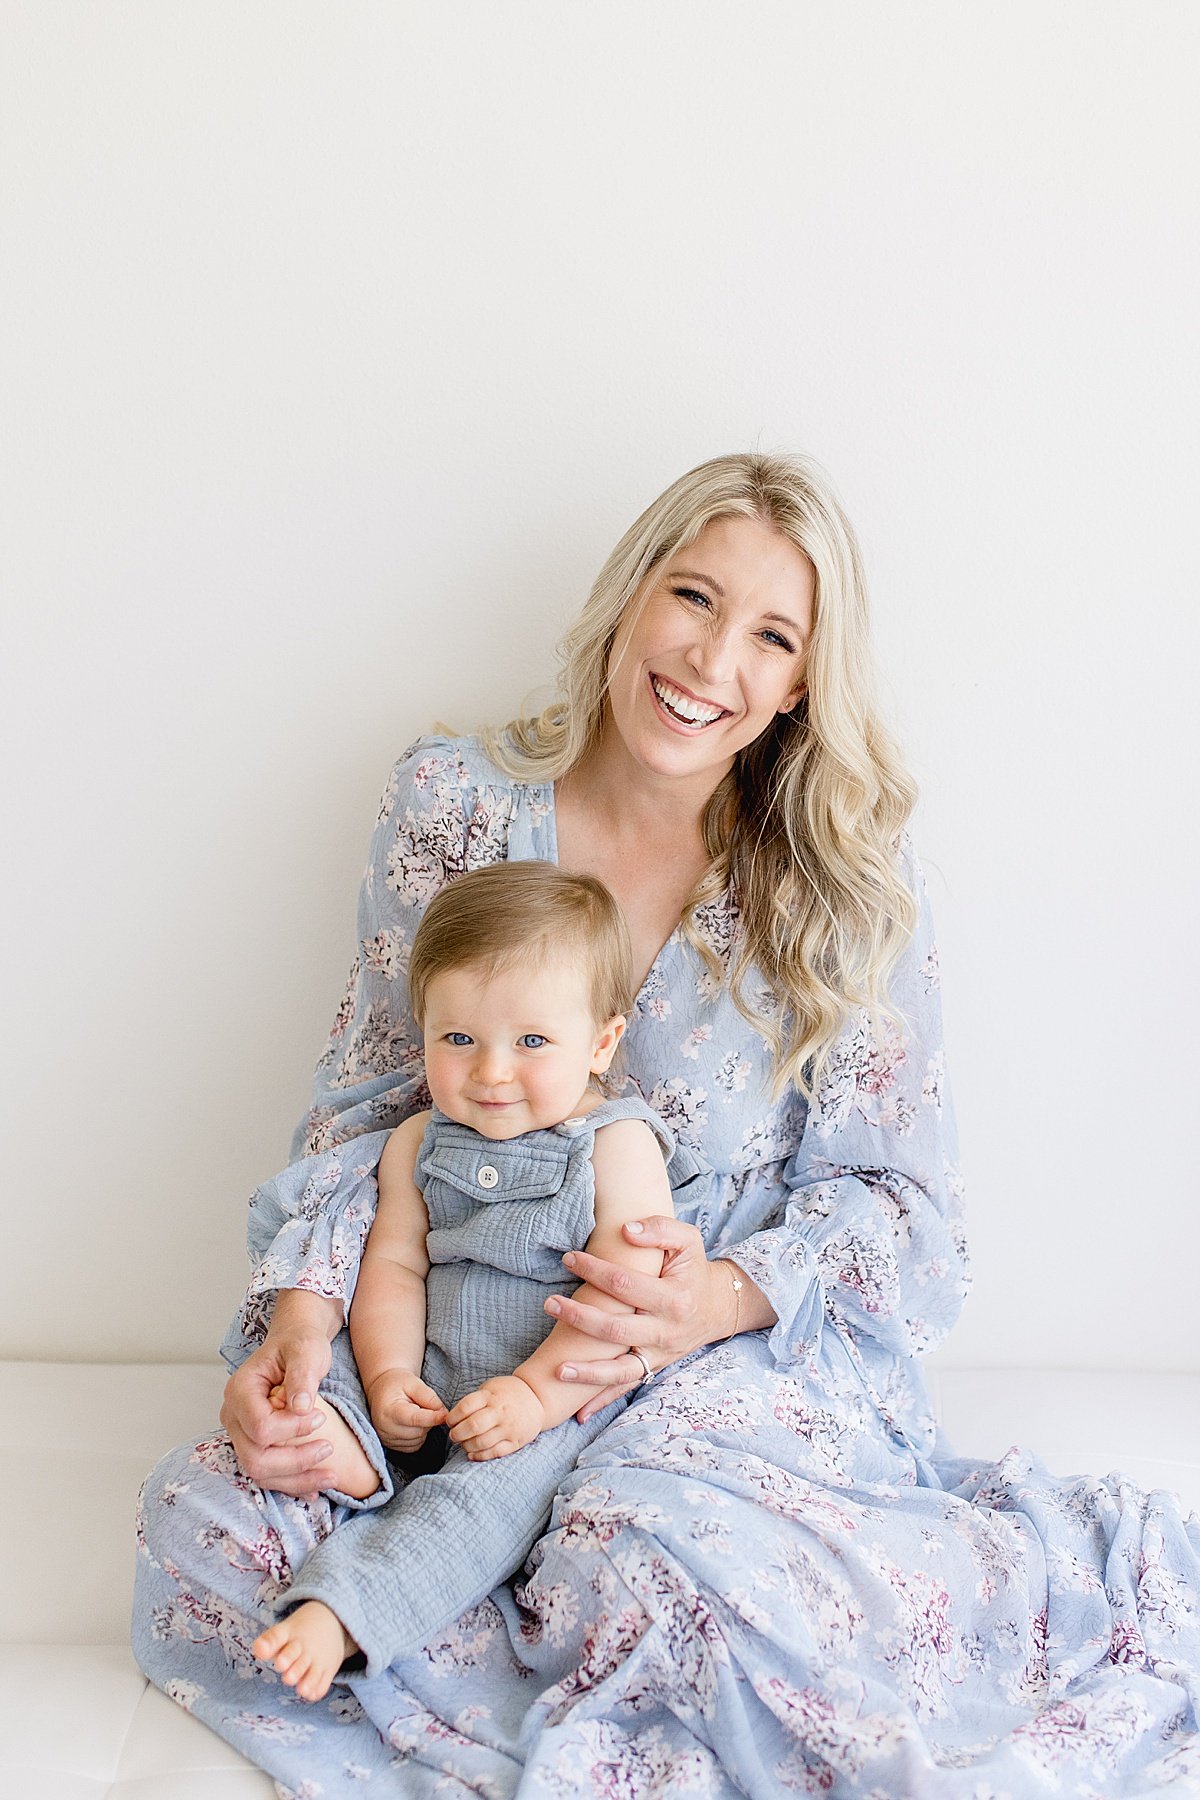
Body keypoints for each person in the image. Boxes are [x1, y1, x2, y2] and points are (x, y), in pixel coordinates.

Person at [133, 453, 1200, 1797]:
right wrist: (300, 1323)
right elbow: (366, 1107)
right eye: (692, 596)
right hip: (442, 1317)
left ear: (804, 682)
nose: (712, 657)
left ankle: (548, 1584)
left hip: (706, 1368)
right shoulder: (454, 806)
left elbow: (905, 1211)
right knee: (214, 1513)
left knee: (646, 1560)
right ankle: (423, 1560)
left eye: (771, 636)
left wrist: (707, 1300)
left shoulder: (835, 886)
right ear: (632, 595)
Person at [250, 859, 687, 1701]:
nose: (490, 1073)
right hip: (431, 1378)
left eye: (531, 1042)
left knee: (480, 1505)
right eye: (459, 1040)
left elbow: (621, 1291)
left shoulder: (616, 1142)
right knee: (320, 1379)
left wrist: (529, 1396)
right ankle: (359, 1451)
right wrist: (384, 1377)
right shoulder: (419, 1140)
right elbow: (395, 1267)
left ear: (600, 1042)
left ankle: (344, 1611)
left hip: (551, 1400)